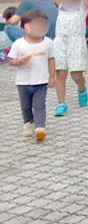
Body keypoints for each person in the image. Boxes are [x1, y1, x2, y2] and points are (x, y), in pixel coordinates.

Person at [42, 0, 88, 117]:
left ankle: (82, 89)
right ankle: (61, 103)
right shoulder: (60, 6)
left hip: (76, 44)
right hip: (60, 43)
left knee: (76, 74)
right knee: (61, 74)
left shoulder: (82, 8)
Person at [8, 10, 55, 142]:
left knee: (39, 105)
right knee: (25, 105)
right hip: (23, 82)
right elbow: (11, 61)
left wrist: (52, 77)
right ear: (23, 27)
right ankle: (28, 124)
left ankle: (40, 127)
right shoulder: (19, 44)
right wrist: (20, 62)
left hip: (41, 81)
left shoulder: (48, 43)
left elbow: (51, 59)